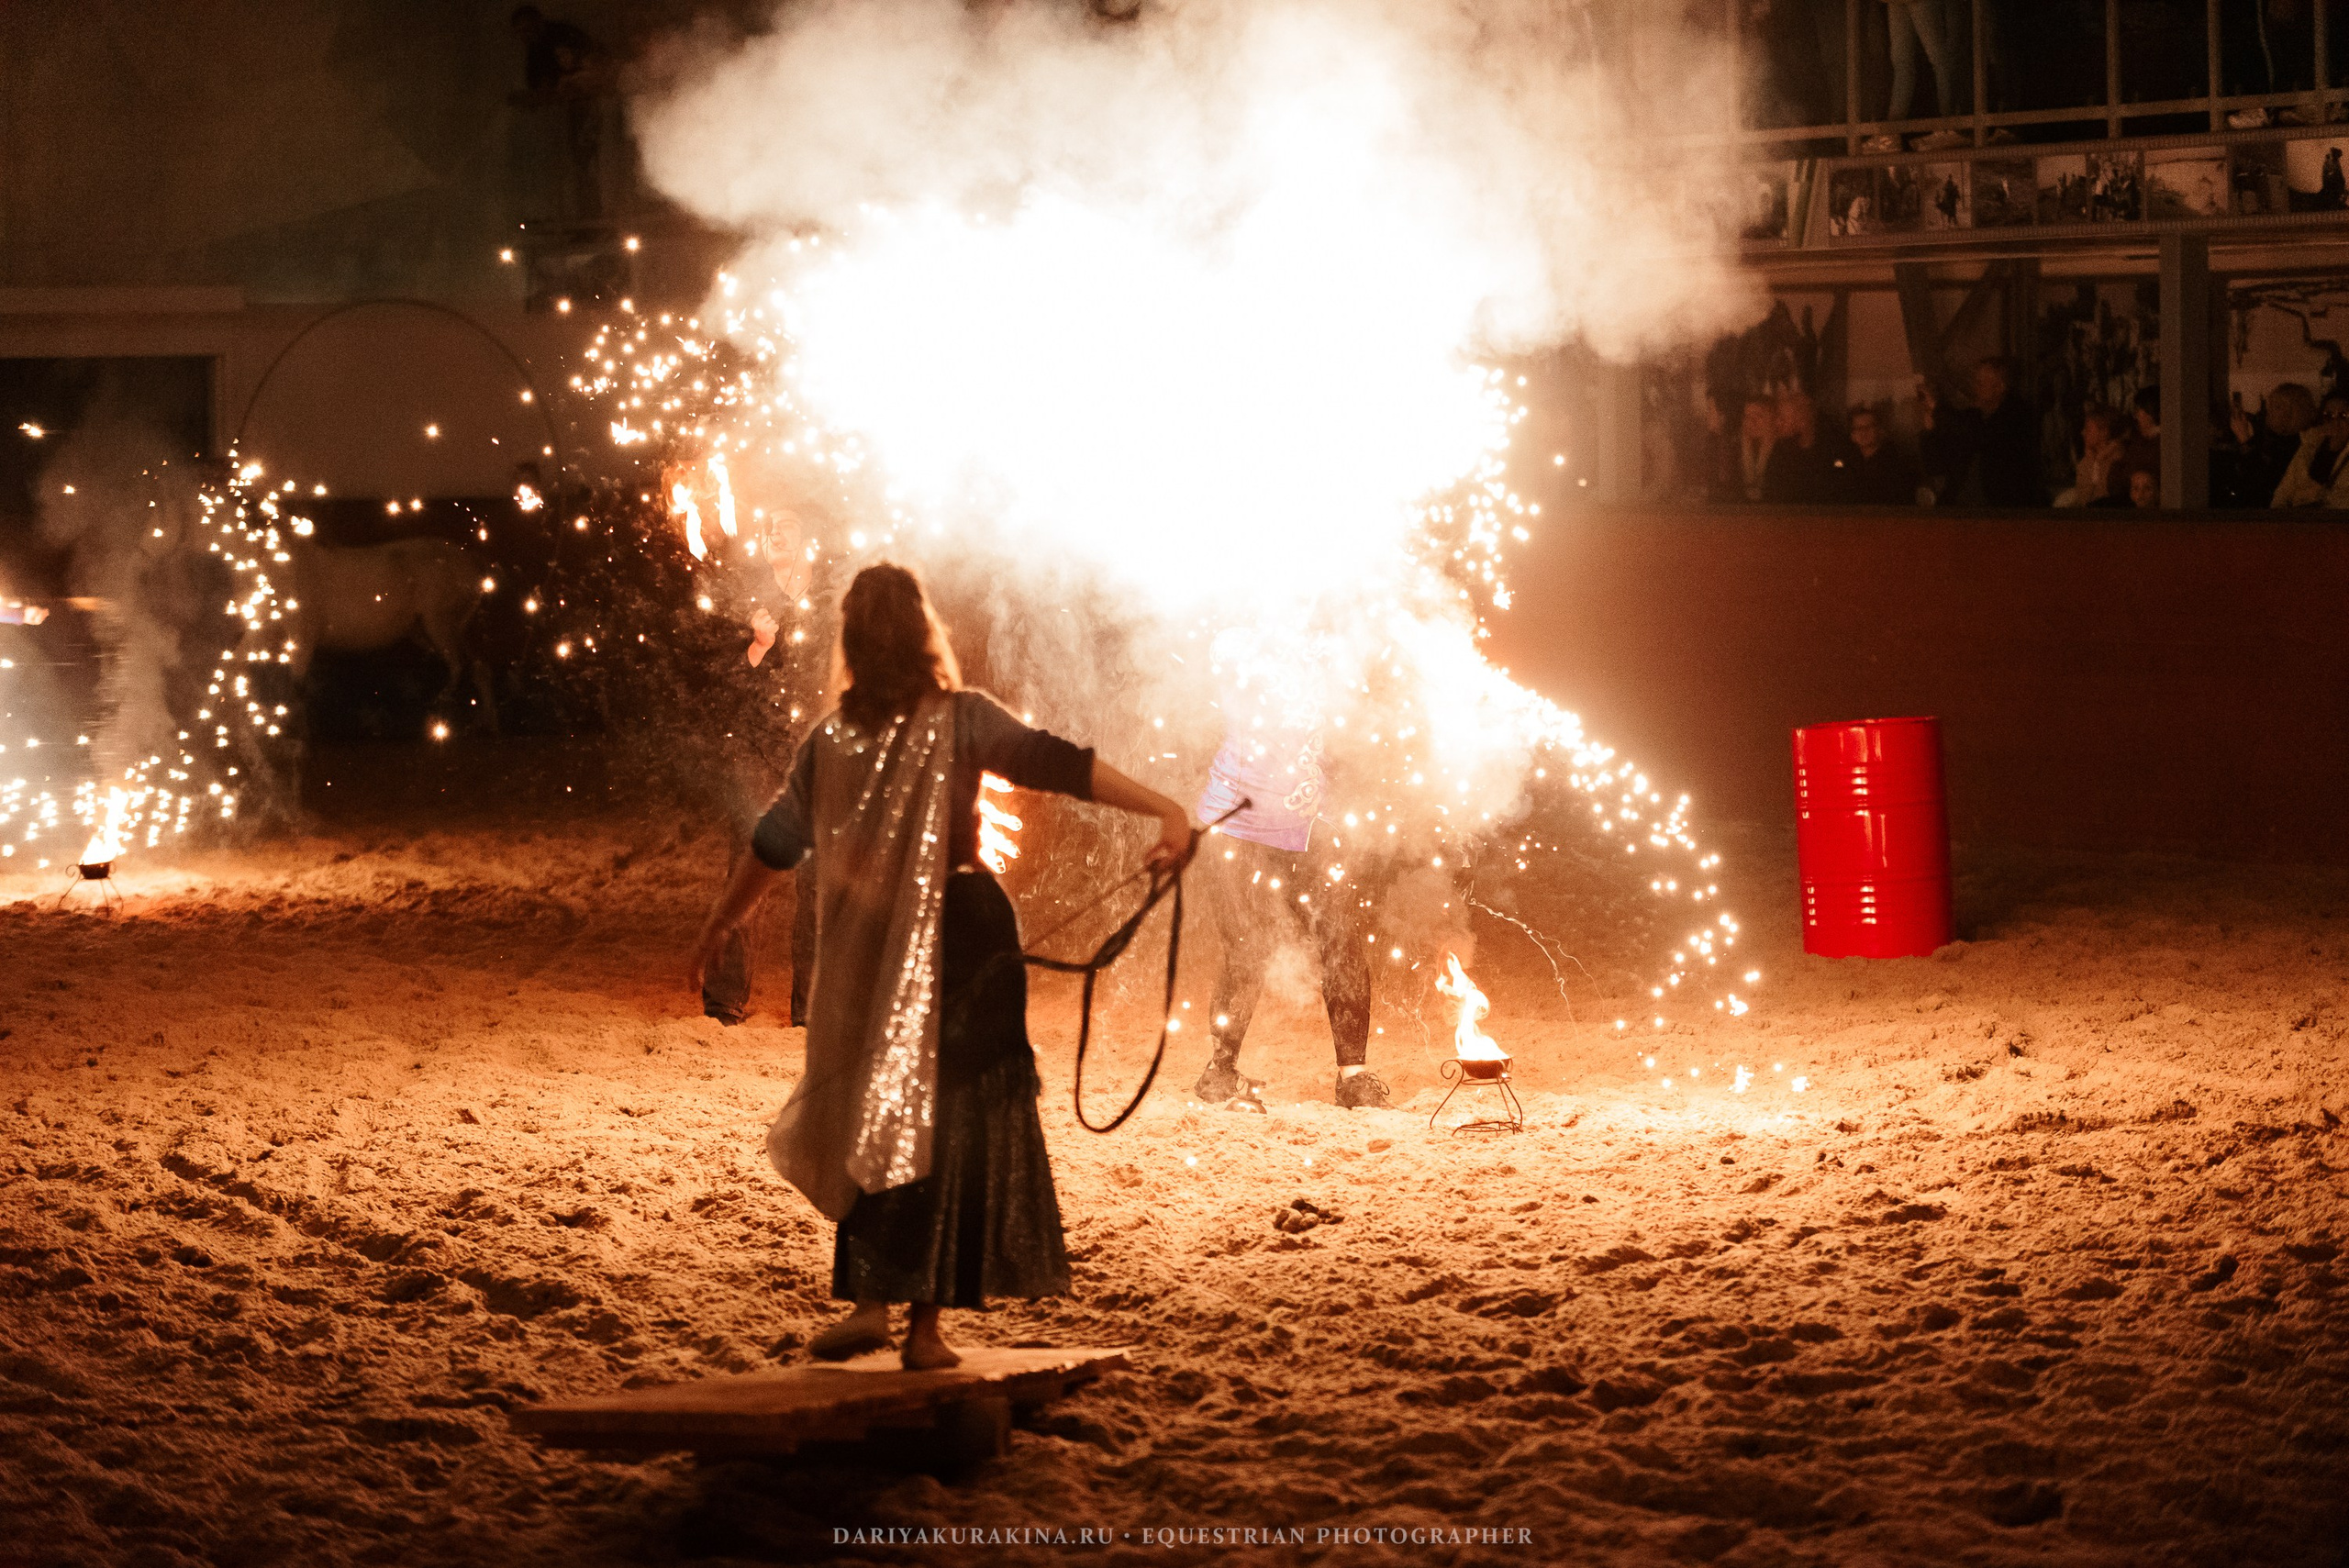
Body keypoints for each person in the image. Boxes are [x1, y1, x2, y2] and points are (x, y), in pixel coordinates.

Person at [689, 563, 1193, 1369]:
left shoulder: (833, 738)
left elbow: (774, 845)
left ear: (852, 642)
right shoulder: (955, 720)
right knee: (938, 1123)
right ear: (924, 633)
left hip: (910, 947)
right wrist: (1166, 807)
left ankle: (884, 1308)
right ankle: (911, 1322)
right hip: (964, 934)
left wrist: (723, 917)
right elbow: (1057, 762)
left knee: (883, 1105)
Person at [1192, 630, 1393, 1112]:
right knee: (1247, 946)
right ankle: (1220, 1070)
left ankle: (1354, 1077)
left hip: (1308, 821)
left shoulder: (1325, 644)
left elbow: (1365, 688)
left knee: (1341, 938)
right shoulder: (1236, 642)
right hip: (1233, 820)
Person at [1919, 358, 2044, 506]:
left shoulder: (2017, 416)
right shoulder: (1974, 417)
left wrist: (1937, 408)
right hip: (1962, 509)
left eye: (1980, 383)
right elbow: (1935, 465)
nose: (1974, 388)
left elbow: (1980, 436)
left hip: (2005, 510)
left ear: (1999, 387)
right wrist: (1930, 428)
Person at [2213, 384, 2314, 507]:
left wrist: (2245, 440)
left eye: (2277, 407)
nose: (2269, 411)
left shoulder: (2298, 446)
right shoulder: (2269, 438)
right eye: (2270, 405)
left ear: (2295, 413)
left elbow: (2262, 486)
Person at [1828, 404, 1922, 504]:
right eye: (1858, 428)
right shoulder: (1848, 462)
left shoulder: (1895, 462)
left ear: (1880, 430)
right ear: (1852, 435)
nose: (1863, 432)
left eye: (1869, 427)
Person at [2271, 393, 2349, 507]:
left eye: (2343, 416)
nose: (2335, 422)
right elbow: (2284, 491)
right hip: (2299, 519)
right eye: (2329, 415)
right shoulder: (2309, 446)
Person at [1761, 390, 1834, 504]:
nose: (1777, 423)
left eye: (1782, 418)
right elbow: (1770, 493)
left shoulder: (1831, 450)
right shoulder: (1780, 450)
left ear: (1802, 420)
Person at [2054, 405, 2128, 507]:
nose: (2083, 433)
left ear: (2104, 432)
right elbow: (2084, 498)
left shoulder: (2118, 460)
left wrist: (2095, 463)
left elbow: (2102, 496)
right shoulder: (2087, 461)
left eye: (2088, 429)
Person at [2104, 385, 2162, 504]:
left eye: (2138, 411)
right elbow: (2113, 486)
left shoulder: (2160, 445)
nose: (2135, 416)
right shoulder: (2135, 441)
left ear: (2149, 413)